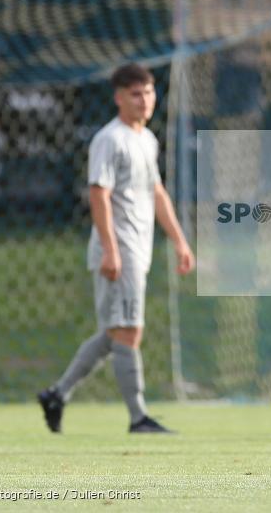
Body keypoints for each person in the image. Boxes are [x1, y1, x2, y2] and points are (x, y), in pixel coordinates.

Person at [37, 63, 195, 434]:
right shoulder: (109, 139)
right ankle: (138, 416)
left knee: (116, 334)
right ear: (119, 97)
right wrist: (110, 250)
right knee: (127, 332)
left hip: (138, 250)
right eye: (136, 94)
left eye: (149, 92)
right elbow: (99, 195)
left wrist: (179, 240)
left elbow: (157, 193)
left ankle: (56, 394)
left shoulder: (147, 139)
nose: (145, 100)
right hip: (120, 250)